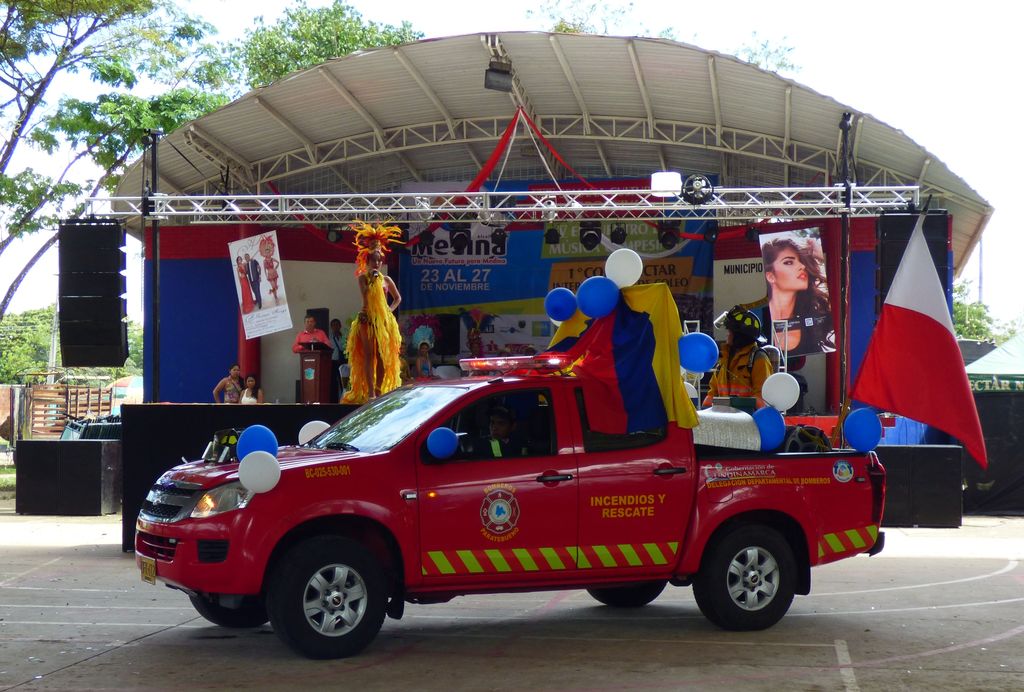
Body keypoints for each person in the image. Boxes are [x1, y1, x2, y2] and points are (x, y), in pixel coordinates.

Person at [342, 222, 404, 403]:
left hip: (383, 322)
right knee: (369, 355)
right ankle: (370, 393)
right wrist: (373, 280)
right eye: (373, 260)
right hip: (367, 319)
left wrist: (389, 311)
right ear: (367, 261)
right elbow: (366, 295)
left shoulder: (387, 279)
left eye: (379, 260)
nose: (376, 263)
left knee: (382, 356)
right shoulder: (363, 278)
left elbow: (398, 298)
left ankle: (379, 391)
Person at [762, 236, 835, 355]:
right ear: (771, 276)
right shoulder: (759, 319)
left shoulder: (813, 314)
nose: (802, 266)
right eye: (789, 262)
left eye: (801, 261)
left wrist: (820, 256)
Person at [702, 307, 774, 409]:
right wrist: (704, 412)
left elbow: (762, 398)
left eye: (730, 331)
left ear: (740, 336)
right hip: (724, 416)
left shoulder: (758, 358)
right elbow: (712, 393)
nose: (727, 335)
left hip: (749, 417)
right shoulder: (724, 359)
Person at [328, 318, 346, 403]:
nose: (335, 327)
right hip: (333, 362)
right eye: (333, 325)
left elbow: (345, 348)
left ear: (340, 326)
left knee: (344, 382)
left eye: (337, 325)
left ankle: (344, 398)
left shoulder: (345, 336)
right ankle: (334, 401)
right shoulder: (329, 338)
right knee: (333, 382)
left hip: (343, 361)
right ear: (331, 327)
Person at [259, 235, 281, 304]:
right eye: (266, 252)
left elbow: (278, 262)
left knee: (275, 286)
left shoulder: (272, 259)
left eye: (269, 251)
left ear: (270, 252)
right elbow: (264, 269)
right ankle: (275, 297)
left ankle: (275, 296)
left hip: (274, 273)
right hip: (269, 275)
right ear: (265, 253)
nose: (268, 253)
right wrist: (266, 276)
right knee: (273, 286)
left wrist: (275, 268)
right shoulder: (264, 261)